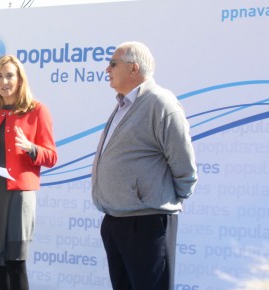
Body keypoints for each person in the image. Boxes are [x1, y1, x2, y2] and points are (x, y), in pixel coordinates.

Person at [91, 41, 198, 290]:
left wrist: (159, 199)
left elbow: (183, 162)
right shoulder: (123, 105)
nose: (107, 69)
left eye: (113, 64)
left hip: (147, 222)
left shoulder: (160, 103)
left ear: (133, 68)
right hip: (116, 220)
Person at [0, 55, 57, 290]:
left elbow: (51, 156)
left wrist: (31, 149)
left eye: (9, 75)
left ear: (19, 79)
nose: (4, 81)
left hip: (19, 196)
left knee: (15, 262)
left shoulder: (38, 111)